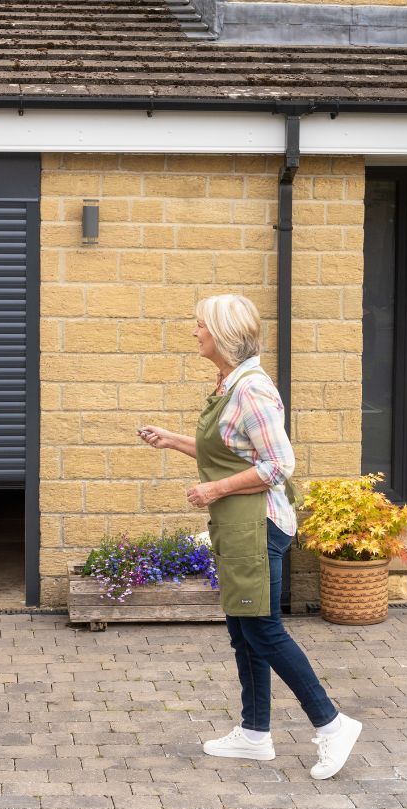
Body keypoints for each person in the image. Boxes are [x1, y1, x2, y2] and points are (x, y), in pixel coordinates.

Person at [138, 293, 362, 781]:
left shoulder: (251, 389)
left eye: (199, 325)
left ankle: (332, 724)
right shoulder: (229, 384)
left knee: (262, 630)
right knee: (243, 630)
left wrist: (213, 488)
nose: (194, 332)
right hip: (239, 524)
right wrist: (174, 440)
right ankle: (255, 733)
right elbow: (234, 449)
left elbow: (279, 464)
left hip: (257, 524)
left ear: (220, 334)